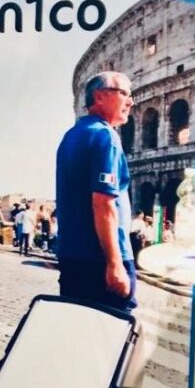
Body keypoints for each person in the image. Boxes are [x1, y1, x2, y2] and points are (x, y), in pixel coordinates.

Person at [55, 71, 136, 311]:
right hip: (100, 260)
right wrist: (115, 263)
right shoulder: (105, 136)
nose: (131, 102)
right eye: (124, 94)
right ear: (100, 96)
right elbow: (103, 204)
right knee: (113, 328)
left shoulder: (71, 136)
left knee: (78, 325)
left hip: (73, 258)